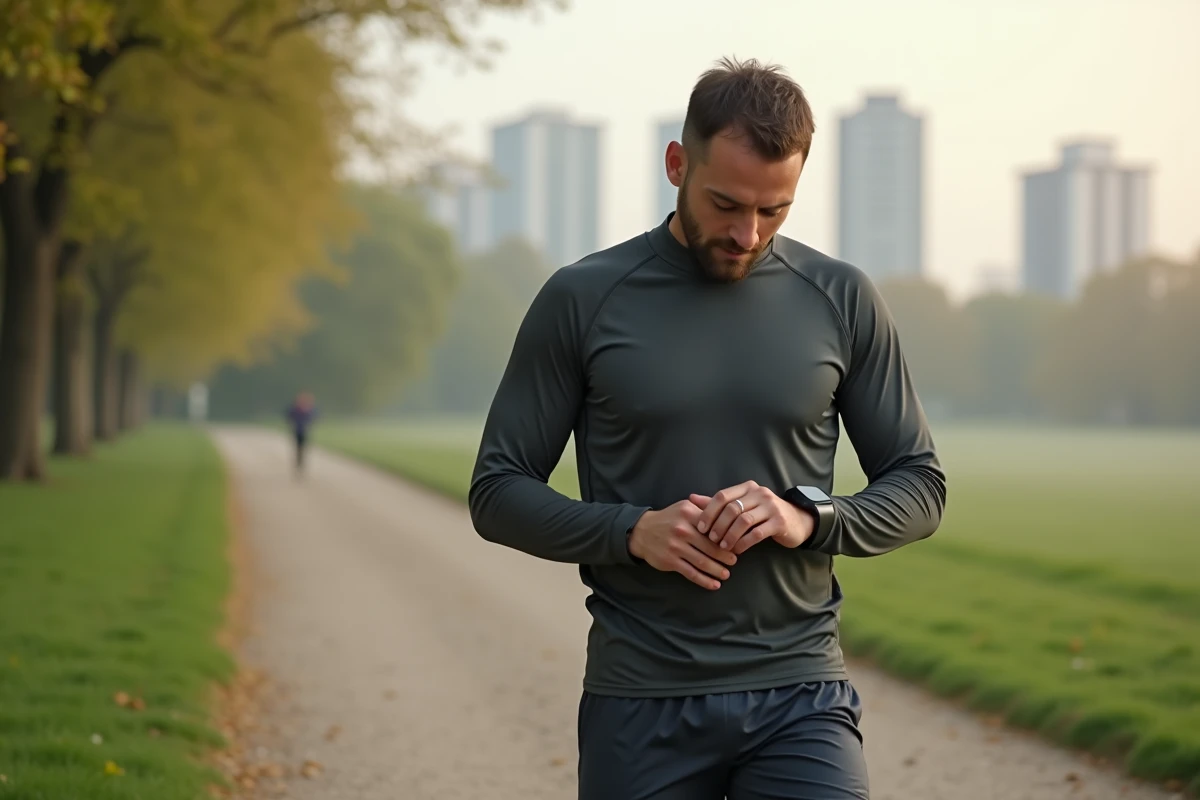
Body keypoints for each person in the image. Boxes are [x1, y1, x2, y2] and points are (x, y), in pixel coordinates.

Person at [469, 57, 947, 800]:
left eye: (774, 209)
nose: (747, 233)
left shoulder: (841, 298)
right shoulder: (582, 298)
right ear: (676, 164)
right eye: (725, 203)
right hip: (640, 698)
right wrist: (631, 531)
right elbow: (496, 492)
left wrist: (808, 515)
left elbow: (920, 484)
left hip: (801, 692)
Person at [285, 391, 317, 476]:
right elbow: (289, 416)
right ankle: (298, 463)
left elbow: (313, 417)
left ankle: (301, 463)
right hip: (297, 431)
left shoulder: (308, 409)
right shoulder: (295, 409)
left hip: (305, 431)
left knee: (303, 448)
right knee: (298, 448)